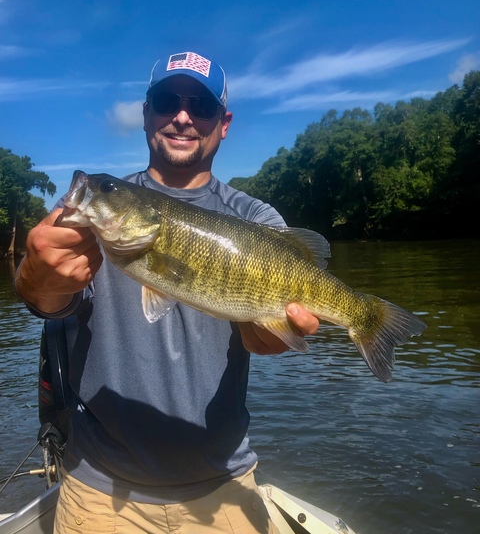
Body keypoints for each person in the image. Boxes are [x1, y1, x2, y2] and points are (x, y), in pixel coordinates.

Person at [15, 51, 320, 534]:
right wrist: (37, 276)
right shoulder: (94, 209)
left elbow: (272, 334)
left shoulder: (258, 221)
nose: (182, 116)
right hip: (99, 490)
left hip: (223, 487)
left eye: (200, 105)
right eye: (165, 100)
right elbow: (46, 300)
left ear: (224, 123)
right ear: (145, 113)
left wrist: (275, 336)